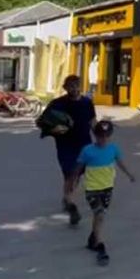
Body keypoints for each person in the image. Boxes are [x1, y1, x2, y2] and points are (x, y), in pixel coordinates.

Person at [73, 120, 135, 266]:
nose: (103, 139)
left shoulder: (113, 149)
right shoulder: (87, 150)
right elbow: (79, 168)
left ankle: (92, 239)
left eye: (107, 136)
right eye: (100, 136)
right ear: (95, 135)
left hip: (107, 188)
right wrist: (74, 183)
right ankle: (100, 246)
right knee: (99, 214)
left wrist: (129, 174)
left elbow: (120, 162)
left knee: (99, 216)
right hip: (92, 188)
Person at [43, 75, 97, 224]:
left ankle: (68, 198)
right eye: (71, 86)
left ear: (80, 86)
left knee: (76, 174)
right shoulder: (58, 103)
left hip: (84, 144)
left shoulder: (87, 103)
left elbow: (92, 121)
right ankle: (70, 202)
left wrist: (100, 137)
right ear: (65, 88)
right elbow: (44, 121)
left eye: (76, 85)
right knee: (70, 173)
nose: (74, 89)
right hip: (65, 145)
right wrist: (54, 129)